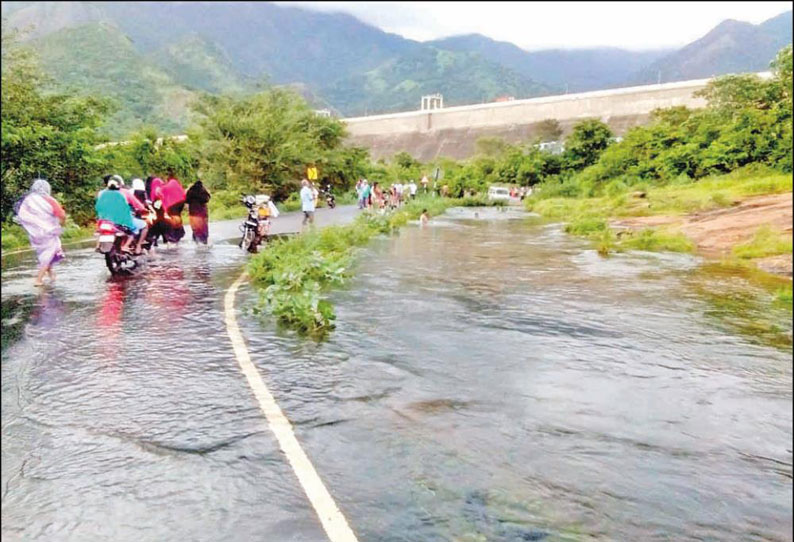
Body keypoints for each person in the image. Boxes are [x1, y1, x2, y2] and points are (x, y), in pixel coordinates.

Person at [14, 179, 66, 287]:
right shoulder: (50, 200)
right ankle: (39, 280)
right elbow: (61, 215)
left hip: (35, 233)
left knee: (46, 253)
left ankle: (51, 275)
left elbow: (22, 215)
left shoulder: (28, 200)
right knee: (49, 253)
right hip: (48, 232)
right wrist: (60, 224)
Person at [96, 176, 139, 254]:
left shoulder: (102, 194)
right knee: (134, 230)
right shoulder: (121, 194)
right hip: (118, 220)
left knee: (101, 230)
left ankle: (98, 245)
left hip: (103, 219)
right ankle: (126, 246)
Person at [161, 174, 186, 245]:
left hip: (171, 206)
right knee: (177, 219)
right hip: (180, 204)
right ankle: (177, 238)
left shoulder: (166, 187)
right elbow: (184, 195)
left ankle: (172, 239)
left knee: (171, 221)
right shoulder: (178, 185)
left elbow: (161, 195)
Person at [185, 180, 211, 245]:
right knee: (203, 229)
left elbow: (186, 200)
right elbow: (207, 199)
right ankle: (204, 242)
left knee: (195, 229)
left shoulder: (190, 192)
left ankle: (196, 241)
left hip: (193, 213)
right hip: (202, 213)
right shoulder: (203, 192)